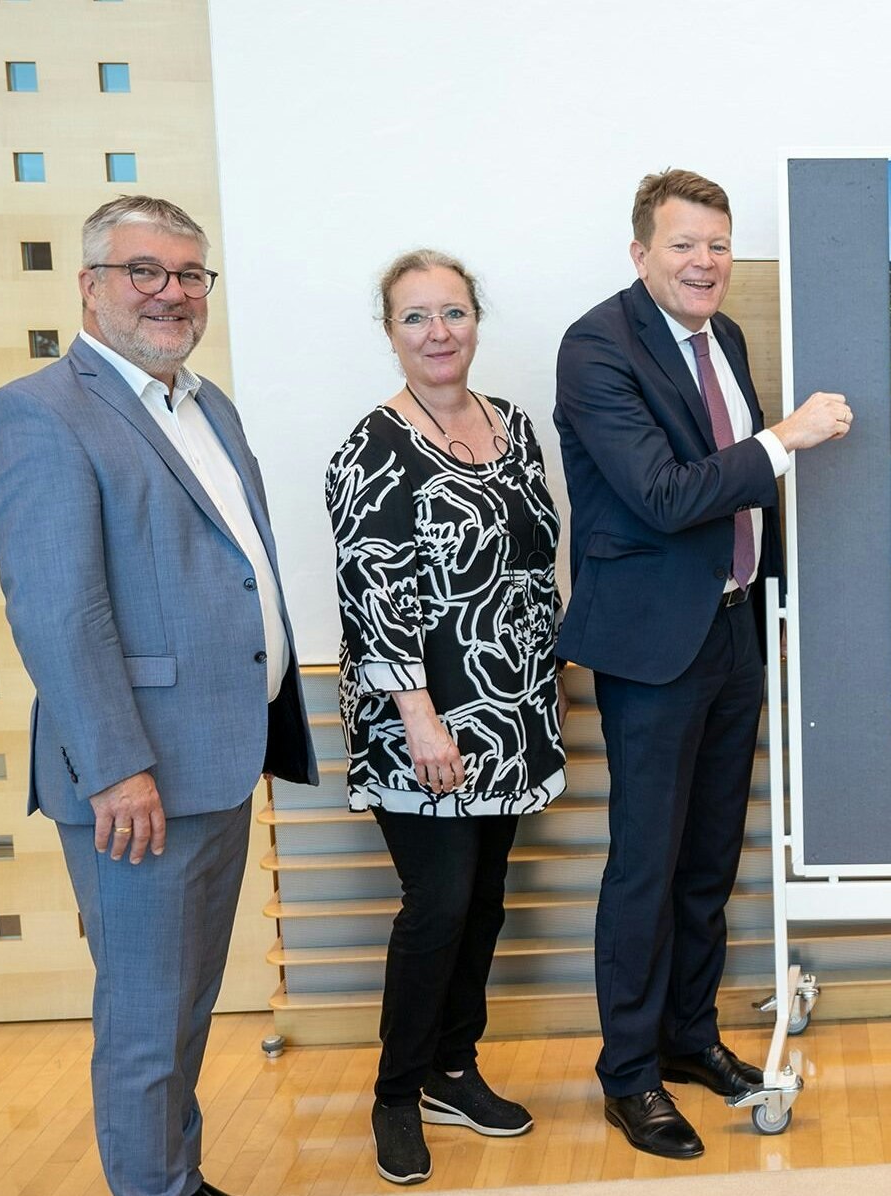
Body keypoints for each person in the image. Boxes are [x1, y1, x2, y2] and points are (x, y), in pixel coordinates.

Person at [0, 196, 317, 1196]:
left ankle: (176, 1173)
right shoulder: (41, 411)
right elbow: (59, 610)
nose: (170, 291)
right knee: (145, 1018)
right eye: (143, 270)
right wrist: (117, 763)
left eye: (188, 273)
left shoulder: (208, 405)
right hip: (140, 777)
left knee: (185, 1005)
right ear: (89, 284)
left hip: (216, 755)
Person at [554, 168, 854, 1160]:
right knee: (645, 864)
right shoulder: (597, 345)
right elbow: (664, 493)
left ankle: (688, 1038)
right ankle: (628, 1075)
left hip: (732, 632)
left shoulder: (722, 339)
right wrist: (786, 436)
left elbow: (744, 500)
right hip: (649, 646)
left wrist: (775, 592)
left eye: (718, 244)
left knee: (708, 859)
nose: (705, 262)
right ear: (640, 252)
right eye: (684, 244)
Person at [324, 250, 566, 1185]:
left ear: (476, 319)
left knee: (488, 900)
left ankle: (453, 1069)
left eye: (454, 313)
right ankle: (395, 1092)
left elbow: (536, 556)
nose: (439, 333)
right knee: (440, 905)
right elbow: (368, 594)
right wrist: (422, 717)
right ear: (390, 331)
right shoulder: (371, 448)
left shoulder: (514, 424)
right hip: (419, 716)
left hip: (511, 706)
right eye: (416, 317)